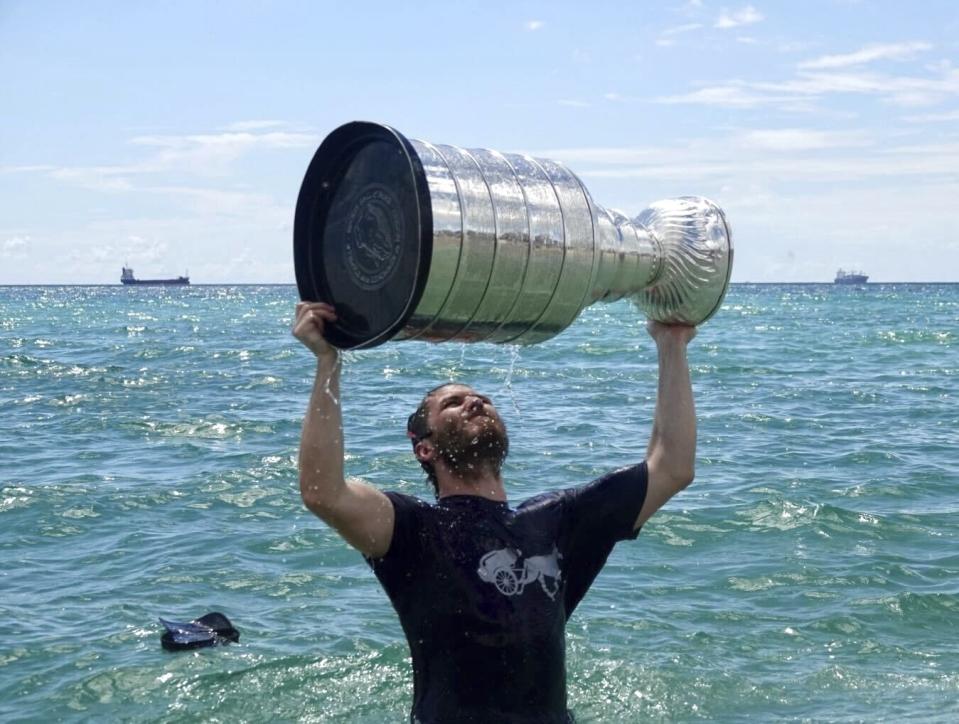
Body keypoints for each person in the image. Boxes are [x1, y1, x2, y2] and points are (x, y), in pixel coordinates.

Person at [293, 301, 697, 724]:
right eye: (453, 403)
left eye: (480, 397)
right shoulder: (413, 531)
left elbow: (671, 467)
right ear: (424, 448)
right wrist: (327, 361)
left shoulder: (556, 521)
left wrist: (672, 342)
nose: (475, 402)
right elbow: (324, 492)